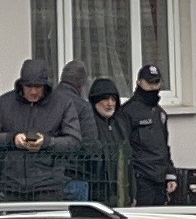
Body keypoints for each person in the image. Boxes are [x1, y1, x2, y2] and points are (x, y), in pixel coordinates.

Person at [0, 57, 80, 198]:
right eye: (29, 87)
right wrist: (13, 139)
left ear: (45, 86)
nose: (34, 91)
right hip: (12, 186)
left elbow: (74, 141)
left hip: (49, 187)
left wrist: (47, 142)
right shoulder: (5, 103)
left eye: (38, 87)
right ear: (21, 85)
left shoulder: (62, 103)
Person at [122, 63, 178, 203]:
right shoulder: (127, 112)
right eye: (149, 82)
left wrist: (170, 174)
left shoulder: (160, 113)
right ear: (139, 82)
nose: (153, 87)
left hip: (160, 179)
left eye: (156, 82)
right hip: (140, 179)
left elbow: (164, 147)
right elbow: (123, 149)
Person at [72, 78, 126, 204]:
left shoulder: (120, 125)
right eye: (105, 99)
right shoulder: (87, 125)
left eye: (113, 99)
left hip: (117, 190)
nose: (110, 103)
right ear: (95, 100)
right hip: (95, 190)